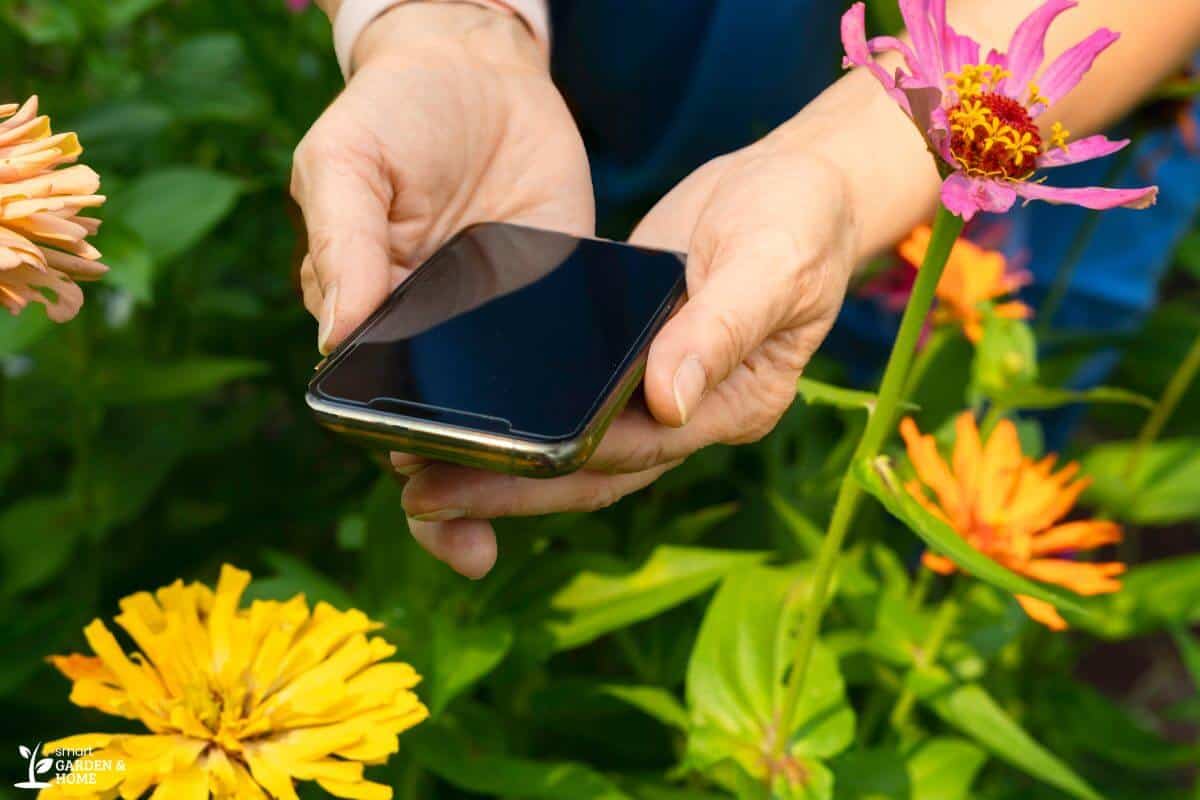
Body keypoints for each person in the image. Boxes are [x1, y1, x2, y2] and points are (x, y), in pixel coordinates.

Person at [291, 0, 1200, 578]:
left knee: (970, 452)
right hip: (589, 73)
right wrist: (444, 24)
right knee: (575, 328)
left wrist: (845, 171)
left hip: (978, 144)